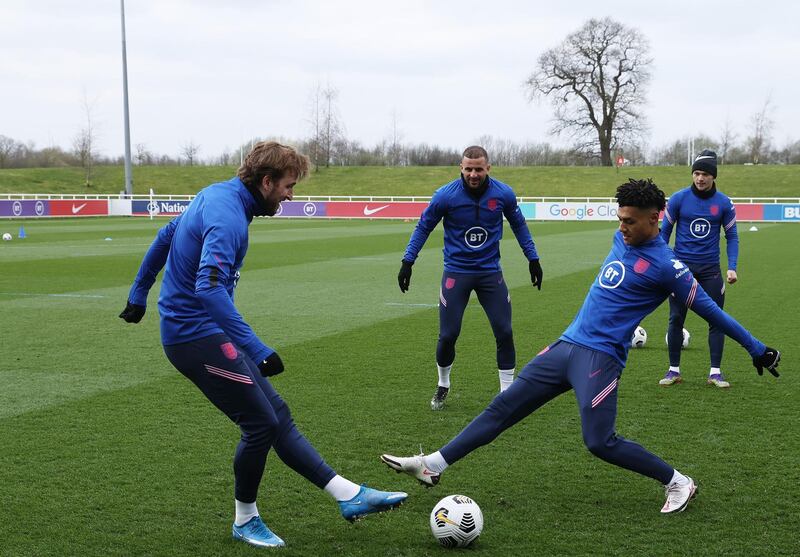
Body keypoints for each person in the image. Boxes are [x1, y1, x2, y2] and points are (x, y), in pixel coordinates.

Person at [382, 178, 780, 514]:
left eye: (630, 221)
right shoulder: (621, 239)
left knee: (599, 442)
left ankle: (678, 481)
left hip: (601, 359)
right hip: (567, 345)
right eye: (619, 219)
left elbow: (712, 312)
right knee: (503, 407)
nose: (622, 226)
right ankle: (433, 464)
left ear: (654, 219)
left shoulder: (668, 267)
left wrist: (756, 347)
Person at [119, 141, 407, 549]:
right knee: (260, 424)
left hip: (205, 330)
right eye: (288, 186)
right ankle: (245, 519)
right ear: (266, 181)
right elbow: (209, 289)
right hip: (192, 336)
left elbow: (167, 235)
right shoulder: (229, 218)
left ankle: (348, 495)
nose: (292, 196)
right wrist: (257, 349)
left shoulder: (216, 195)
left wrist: (138, 293)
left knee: (276, 414)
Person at [397, 145, 543, 410]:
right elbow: (423, 227)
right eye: (468, 169)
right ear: (460, 169)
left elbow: (519, 225)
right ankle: (443, 384)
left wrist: (532, 258)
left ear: (488, 168)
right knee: (448, 335)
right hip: (457, 273)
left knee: (504, 331)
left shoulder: (503, 193)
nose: (473, 174)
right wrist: (408, 261)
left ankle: (506, 393)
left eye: (478, 169)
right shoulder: (445, 196)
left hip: (490, 273)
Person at [659, 150, 739, 388]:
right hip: (681, 270)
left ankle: (715, 372)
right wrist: (663, 263)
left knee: (717, 320)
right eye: (696, 173)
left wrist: (732, 267)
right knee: (676, 318)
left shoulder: (723, 203)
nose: (700, 178)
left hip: (711, 271)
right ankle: (674, 371)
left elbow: (732, 236)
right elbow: (664, 233)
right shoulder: (678, 199)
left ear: (713, 176)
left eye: (705, 174)